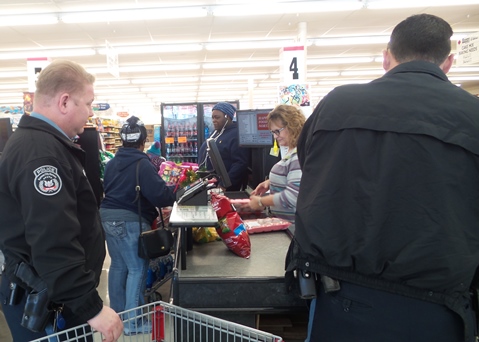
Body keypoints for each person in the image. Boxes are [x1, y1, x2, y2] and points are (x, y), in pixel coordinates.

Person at [286, 13, 479, 342]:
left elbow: (310, 167)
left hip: (337, 293)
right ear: (448, 62)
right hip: (435, 307)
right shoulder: (472, 116)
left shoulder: (336, 104)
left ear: (386, 56)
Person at [0, 60, 123, 341]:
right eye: (89, 104)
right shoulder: (41, 155)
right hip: (51, 307)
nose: (91, 113)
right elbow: (53, 240)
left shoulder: (43, 145)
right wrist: (91, 308)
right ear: (65, 101)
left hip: (53, 298)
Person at [99, 116, 176, 335]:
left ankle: (117, 317)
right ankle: (132, 323)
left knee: (118, 266)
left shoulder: (112, 162)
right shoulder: (142, 164)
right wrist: (174, 191)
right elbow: (160, 196)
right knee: (136, 268)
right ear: (143, 141)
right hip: (129, 219)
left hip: (106, 216)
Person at [248, 105, 305, 223]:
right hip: (285, 224)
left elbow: (293, 197)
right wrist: (271, 182)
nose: (275, 136)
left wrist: (261, 201)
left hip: (293, 228)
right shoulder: (293, 151)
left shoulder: (298, 156)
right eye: (273, 132)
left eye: (277, 131)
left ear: (292, 127)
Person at [198, 102, 250, 191]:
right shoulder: (216, 132)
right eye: (213, 117)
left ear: (227, 117)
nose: (214, 120)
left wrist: (224, 185)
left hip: (224, 187)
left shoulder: (236, 135)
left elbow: (240, 163)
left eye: (217, 117)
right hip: (210, 183)